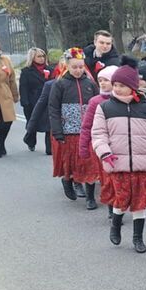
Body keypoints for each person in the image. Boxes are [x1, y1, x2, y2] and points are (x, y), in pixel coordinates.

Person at [91, 60, 146, 254]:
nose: (117, 89)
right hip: (117, 163)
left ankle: (138, 238)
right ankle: (116, 224)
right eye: (115, 85)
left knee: (140, 203)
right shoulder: (105, 108)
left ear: (133, 87)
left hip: (143, 164)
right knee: (121, 199)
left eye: (121, 86)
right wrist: (104, 152)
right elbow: (98, 134)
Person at [48, 47, 101, 207]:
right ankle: (67, 180)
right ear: (67, 66)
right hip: (68, 131)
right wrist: (57, 131)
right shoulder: (60, 85)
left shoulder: (90, 84)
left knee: (89, 162)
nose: (78, 70)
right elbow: (53, 108)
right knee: (70, 161)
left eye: (80, 67)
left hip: (87, 131)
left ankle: (90, 197)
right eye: (74, 67)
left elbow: (98, 105)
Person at [80, 64, 119, 220]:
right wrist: (83, 146)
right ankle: (90, 197)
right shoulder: (95, 101)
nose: (102, 83)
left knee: (111, 178)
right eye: (100, 80)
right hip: (97, 145)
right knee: (96, 175)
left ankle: (113, 206)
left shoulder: (121, 101)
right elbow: (86, 125)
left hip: (116, 145)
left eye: (106, 80)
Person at [25, 59, 64, 156]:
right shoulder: (50, 85)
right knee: (51, 150)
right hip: (53, 118)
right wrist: (30, 127)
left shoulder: (85, 83)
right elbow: (40, 105)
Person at [19, 48, 52, 151]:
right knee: (32, 123)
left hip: (47, 100)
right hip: (32, 101)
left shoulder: (50, 69)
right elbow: (23, 88)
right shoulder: (26, 71)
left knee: (49, 125)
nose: (42, 58)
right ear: (32, 57)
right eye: (39, 56)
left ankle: (49, 148)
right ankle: (30, 140)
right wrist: (25, 102)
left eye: (43, 56)